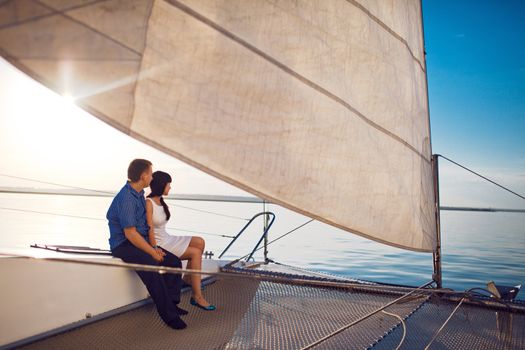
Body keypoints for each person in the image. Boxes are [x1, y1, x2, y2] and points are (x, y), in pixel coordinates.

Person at [107, 159, 187, 329]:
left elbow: (145, 228)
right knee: (152, 265)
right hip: (123, 245)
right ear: (143, 176)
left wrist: (155, 247)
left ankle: (172, 304)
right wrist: (151, 252)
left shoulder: (139, 194)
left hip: (138, 241)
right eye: (151, 173)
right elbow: (130, 234)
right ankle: (169, 316)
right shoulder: (127, 198)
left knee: (173, 262)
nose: (152, 177)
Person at [146, 170, 216, 311]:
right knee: (195, 253)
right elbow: (149, 229)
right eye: (168, 185)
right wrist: (154, 248)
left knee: (200, 241)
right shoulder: (148, 203)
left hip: (167, 237)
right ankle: (197, 297)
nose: (170, 187)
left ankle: (187, 280)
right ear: (161, 185)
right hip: (160, 243)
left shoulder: (160, 201)